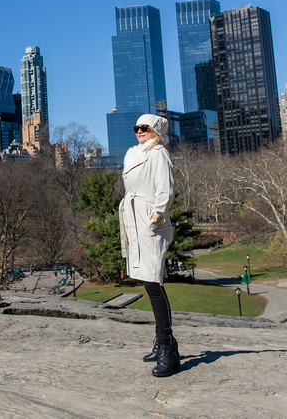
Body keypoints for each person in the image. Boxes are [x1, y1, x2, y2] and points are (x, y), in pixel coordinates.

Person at [118, 113, 179, 377]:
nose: (139, 131)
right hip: (135, 221)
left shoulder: (158, 154)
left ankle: (168, 347)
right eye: (136, 128)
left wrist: (155, 218)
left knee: (154, 284)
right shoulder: (134, 154)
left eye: (144, 128)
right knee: (148, 282)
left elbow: (165, 190)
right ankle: (162, 341)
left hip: (150, 224)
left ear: (155, 130)